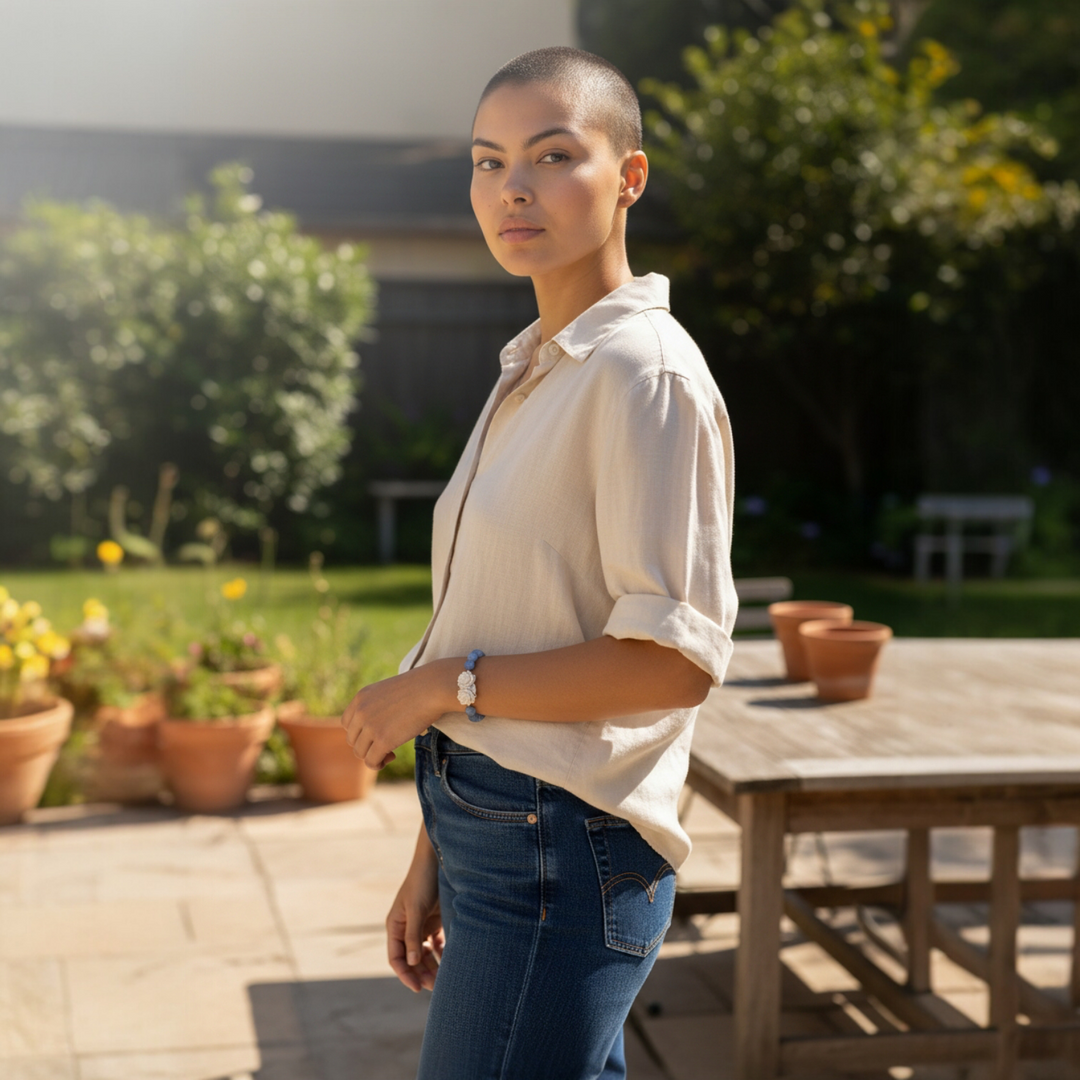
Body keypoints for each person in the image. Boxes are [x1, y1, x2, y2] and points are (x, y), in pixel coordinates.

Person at [342, 46, 737, 1080]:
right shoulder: (536, 365)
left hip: (564, 849)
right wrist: (434, 857)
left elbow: (671, 662)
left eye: (553, 154)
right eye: (487, 160)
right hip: (496, 830)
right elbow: (505, 612)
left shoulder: (643, 374)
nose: (511, 186)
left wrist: (436, 689)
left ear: (629, 178)